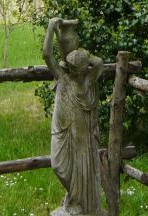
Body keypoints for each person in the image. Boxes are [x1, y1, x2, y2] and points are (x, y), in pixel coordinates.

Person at [43, 17, 105, 216]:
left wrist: (83, 55)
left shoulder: (89, 80)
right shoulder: (63, 78)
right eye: (74, 67)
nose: (76, 70)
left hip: (83, 137)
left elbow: (99, 62)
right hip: (64, 133)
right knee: (57, 164)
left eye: (80, 67)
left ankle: (79, 204)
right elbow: (46, 54)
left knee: (84, 172)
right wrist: (51, 28)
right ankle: (74, 198)